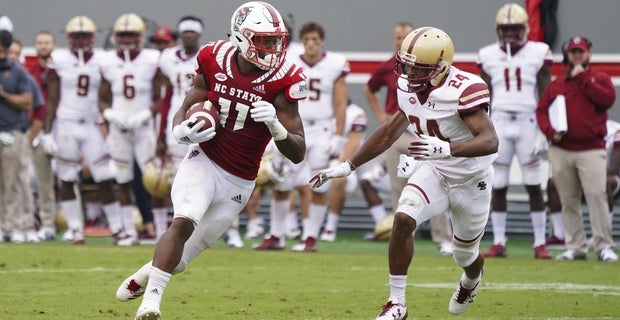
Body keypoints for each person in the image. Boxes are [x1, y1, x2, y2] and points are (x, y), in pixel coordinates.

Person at [116, 2, 307, 319]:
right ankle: (150, 303)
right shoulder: (212, 57)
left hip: (241, 179)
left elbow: (298, 152)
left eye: (276, 40)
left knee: (179, 261)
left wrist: (275, 126)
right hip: (204, 158)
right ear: (242, 38)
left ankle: (146, 273)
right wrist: (181, 131)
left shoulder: (285, 77)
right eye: (264, 40)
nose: (273, 48)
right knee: (183, 220)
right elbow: (189, 103)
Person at [311, 27, 498, 318]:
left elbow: (490, 140)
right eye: (407, 64)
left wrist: (448, 150)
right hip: (435, 171)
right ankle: (397, 303)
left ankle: (472, 279)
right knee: (402, 219)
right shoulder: (408, 86)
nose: (409, 73)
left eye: (417, 68)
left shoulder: (464, 88)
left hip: (472, 180)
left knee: (464, 255)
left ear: (440, 66)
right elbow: (388, 133)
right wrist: (348, 166)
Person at [257, 21, 348, 252]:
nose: (310, 44)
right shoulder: (290, 59)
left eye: (315, 40)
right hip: (293, 127)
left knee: (319, 185)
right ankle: (277, 234)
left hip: (321, 130)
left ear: (322, 41)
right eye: (306, 39)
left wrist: (338, 136)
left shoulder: (334, 64)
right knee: (281, 182)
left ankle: (310, 237)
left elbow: (340, 103)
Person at [364, 21, 453, 255]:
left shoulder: (433, 65)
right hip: (400, 132)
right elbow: (369, 88)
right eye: (399, 38)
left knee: (436, 181)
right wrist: (380, 115)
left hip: (426, 133)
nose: (402, 42)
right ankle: (402, 235)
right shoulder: (388, 67)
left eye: (406, 38)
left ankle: (442, 237)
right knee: (398, 185)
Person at [43, 16, 128, 245]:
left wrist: (109, 131)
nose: (80, 41)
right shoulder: (58, 59)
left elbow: (107, 95)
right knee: (67, 177)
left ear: (92, 37)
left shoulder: (103, 60)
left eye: (84, 36)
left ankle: (118, 227)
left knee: (104, 177)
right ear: (69, 38)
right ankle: (74, 229)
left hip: (92, 123)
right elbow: (52, 99)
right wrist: (47, 132)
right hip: (66, 123)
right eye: (76, 36)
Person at [478, 3, 553, 259]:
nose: (510, 33)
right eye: (505, 29)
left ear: (525, 28)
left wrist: (545, 130)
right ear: (498, 30)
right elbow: (483, 97)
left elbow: (545, 93)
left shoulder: (539, 51)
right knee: (497, 184)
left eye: (514, 28)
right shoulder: (487, 54)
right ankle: (499, 241)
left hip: (528, 121)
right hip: (498, 120)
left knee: (533, 183)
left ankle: (540, 242)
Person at [536, 36, 618, 262]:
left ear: (588, 54)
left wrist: (582, 78)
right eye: (573, 52)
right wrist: (551, 132)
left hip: (591, 149)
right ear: (568, 55)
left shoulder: (599, 79)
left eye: (581, 51)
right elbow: (541, 111)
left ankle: (603, 246)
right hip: (562, 149)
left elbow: (606, 100)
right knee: (568, 199)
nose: (577, 55)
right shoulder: (557, 84)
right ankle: (576, 246)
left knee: (596, 196)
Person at [99, 13, 163, 246]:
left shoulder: (152, 59)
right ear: (115, 37)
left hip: (144, 128)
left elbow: (160, 96)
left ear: (141, 36)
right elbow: (102, 98)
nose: (126, 39)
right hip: (118, 130)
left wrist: (145, 115)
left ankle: (159, 231)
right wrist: (111, 116)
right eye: (123, 35)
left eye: (131, 34)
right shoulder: (106, 61)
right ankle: (128, 231)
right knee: (123, 180)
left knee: (154, 180)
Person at [152, 16, 203, 243]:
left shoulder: (208, 57)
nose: (189, 36)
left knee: (202, 179)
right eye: (185, 32)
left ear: (199, 34)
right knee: (171, 181)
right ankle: (167, 230)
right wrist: (160, 133)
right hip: (177, 120)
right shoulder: (168, 58)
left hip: (202, 120)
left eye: (193, 32)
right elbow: (165, 97)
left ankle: (200, 231)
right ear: (180, 35)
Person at [319, 100, 390, 242]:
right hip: (318, 160)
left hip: (344, 164)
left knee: (340, 179)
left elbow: (353, 145)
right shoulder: (319, 110)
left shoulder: (356, 114)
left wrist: (337, 165)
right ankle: (292, 227)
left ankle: (330, 228)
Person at [8, 38, 54, 242]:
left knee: (30, 182)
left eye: (16, 53)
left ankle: (36, 224)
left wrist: (31, 136)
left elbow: (39, 108)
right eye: (10, 52)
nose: (12, 57)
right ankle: (9, 224)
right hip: (8, 136)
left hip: (26, 134)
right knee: (10, 184)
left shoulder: (24, 76)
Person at [546, 119, 620, 247]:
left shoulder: (615, 130)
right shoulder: (576, 127)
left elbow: (613, 168)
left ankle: (604, 234)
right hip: (580, 175)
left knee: (605, 182)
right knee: (553, 182)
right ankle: (560, 234)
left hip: (611, 177)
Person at [0, 30, 35, 243]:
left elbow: (28, 103)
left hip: (11, 131)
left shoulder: (17, 72)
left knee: (12, 182)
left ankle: (11, 226)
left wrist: (3, 95)